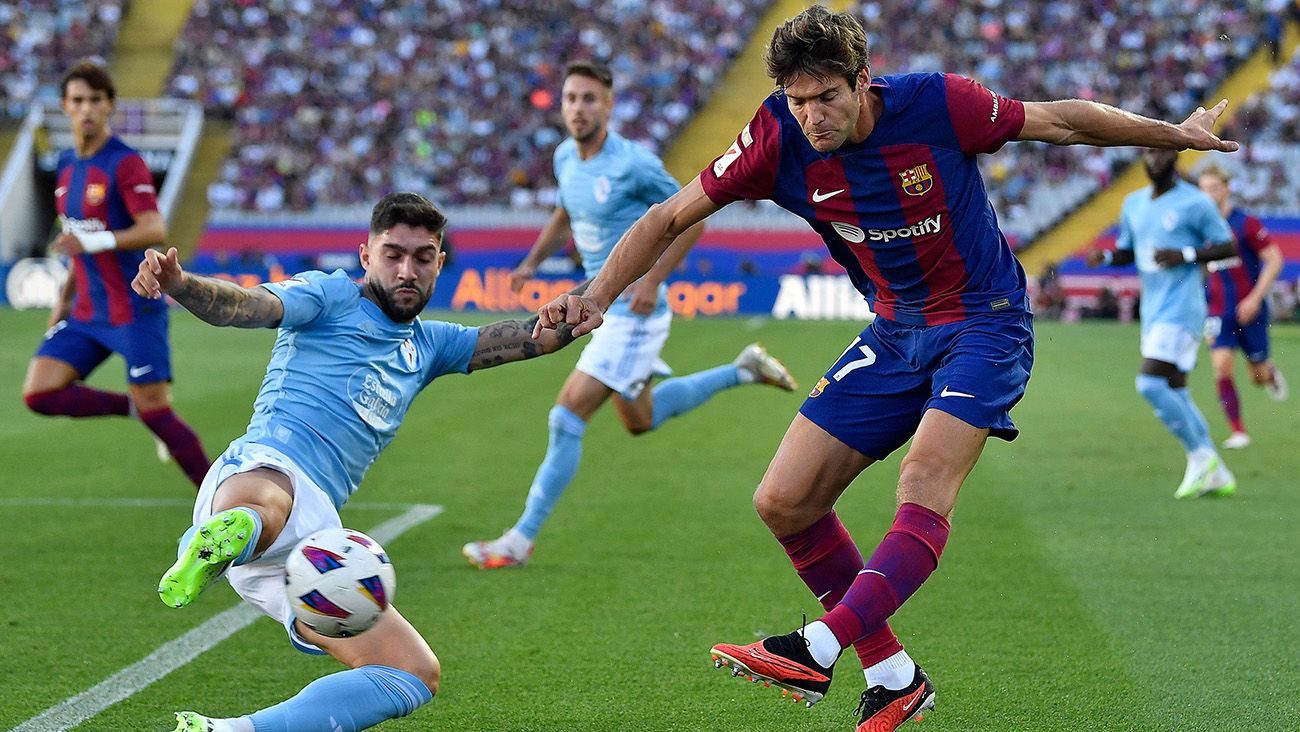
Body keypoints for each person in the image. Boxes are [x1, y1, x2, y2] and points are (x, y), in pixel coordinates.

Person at [534, 7, 1238, 730]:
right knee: (783, 500)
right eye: (798, 100)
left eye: (827, 97)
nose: (812, 116)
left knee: (923, 484)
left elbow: (1059, 120)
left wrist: (1175, 135)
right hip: (895, 331)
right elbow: (668, 215)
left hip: (984, 322)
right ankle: (894, 675)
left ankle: (819, 643)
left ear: (864, 81)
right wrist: (595, 297)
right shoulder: (775, 137)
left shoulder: (937, 105)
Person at [131, 193, 583, 732]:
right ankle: (214, 540)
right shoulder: (329, 295)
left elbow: (534, 337)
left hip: (317, 543)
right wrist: (182, 285)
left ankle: (225, 731)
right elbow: (246, 306)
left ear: (440, 263)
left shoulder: (433, 344)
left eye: (422, 257)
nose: (406, 270)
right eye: (393, 254)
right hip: (264, 467)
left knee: (412, 673)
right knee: (269, 501)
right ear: (365, 255)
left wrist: (591, 298)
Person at [461, 60, 798, 570]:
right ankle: (743, 370)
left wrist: (652, 279)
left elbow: (690, 219)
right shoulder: (565, 159)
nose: (578, 108)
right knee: (639, 419)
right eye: (571, 98)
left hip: (633, 313)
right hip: (599, 306)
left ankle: (519, 539)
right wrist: (531, 263)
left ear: (609, 105)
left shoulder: (634, 163)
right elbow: (564, 213)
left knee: (566, 414)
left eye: (589, 99)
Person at [21, 60, 210, 489]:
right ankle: (130, 408)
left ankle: (225, 506)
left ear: (109, 106)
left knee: (160, 412)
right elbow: (75, 242)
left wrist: (95, 241)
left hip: (133, 310)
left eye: (95, 100)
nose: (86, 109)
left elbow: (154, 229)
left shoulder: (125, 163)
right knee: (39, 393)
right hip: (87, 313)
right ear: (65, 107)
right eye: (78, 101)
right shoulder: (66, 166)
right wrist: (62, 302)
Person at [1089, 150, 1239, 498]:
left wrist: (1184, 254)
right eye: (1150, 153)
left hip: (1183, 306)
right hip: (1153, 309)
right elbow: (1130, 251)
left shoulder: (1196, 203)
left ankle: (1201, 456)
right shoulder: (1133, 203)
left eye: (1162, 154)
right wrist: (1108, 257)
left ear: (1174, 159)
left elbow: (1227, 246)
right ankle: (1217, 472)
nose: (1155, 160)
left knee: (1150, 384)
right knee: (1175, 389)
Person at [1196, 165, 1287, 449]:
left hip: (1250, 308)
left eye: (1214, 188)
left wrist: (1255, 298)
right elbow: (1199, 268)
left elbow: (1275, 259)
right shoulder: (1199, 228)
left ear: (1226, 189)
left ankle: (1268, 373)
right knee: (1221, 366)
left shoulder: (1245, 223)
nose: (1209, 194)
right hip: (1218, 310)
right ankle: (1238, 431)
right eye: (1204, 189)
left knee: (1256, 376)